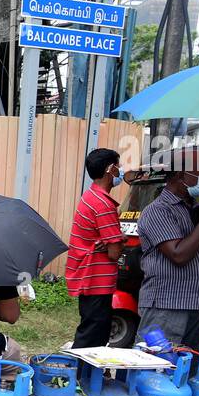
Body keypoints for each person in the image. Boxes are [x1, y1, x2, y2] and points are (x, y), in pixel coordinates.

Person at [135, 149, 199, 348]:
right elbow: (178, 255)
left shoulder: (196, 208)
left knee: (191, 369)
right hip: (168, 306)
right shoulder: (158, 210)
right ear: (180, 176)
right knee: (162, 366)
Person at [66, 148, 138, 347]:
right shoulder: (103, 204)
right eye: (118, 166)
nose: (121, 171)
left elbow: (107, 243)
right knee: (93, 333)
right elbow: (114, 253)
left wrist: (112, 240)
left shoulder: (90, 197)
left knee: (93, 328)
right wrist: (119, 241)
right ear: (110, 169)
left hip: (89, 277)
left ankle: (86, 374)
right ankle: (81, 375)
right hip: (96, 278)